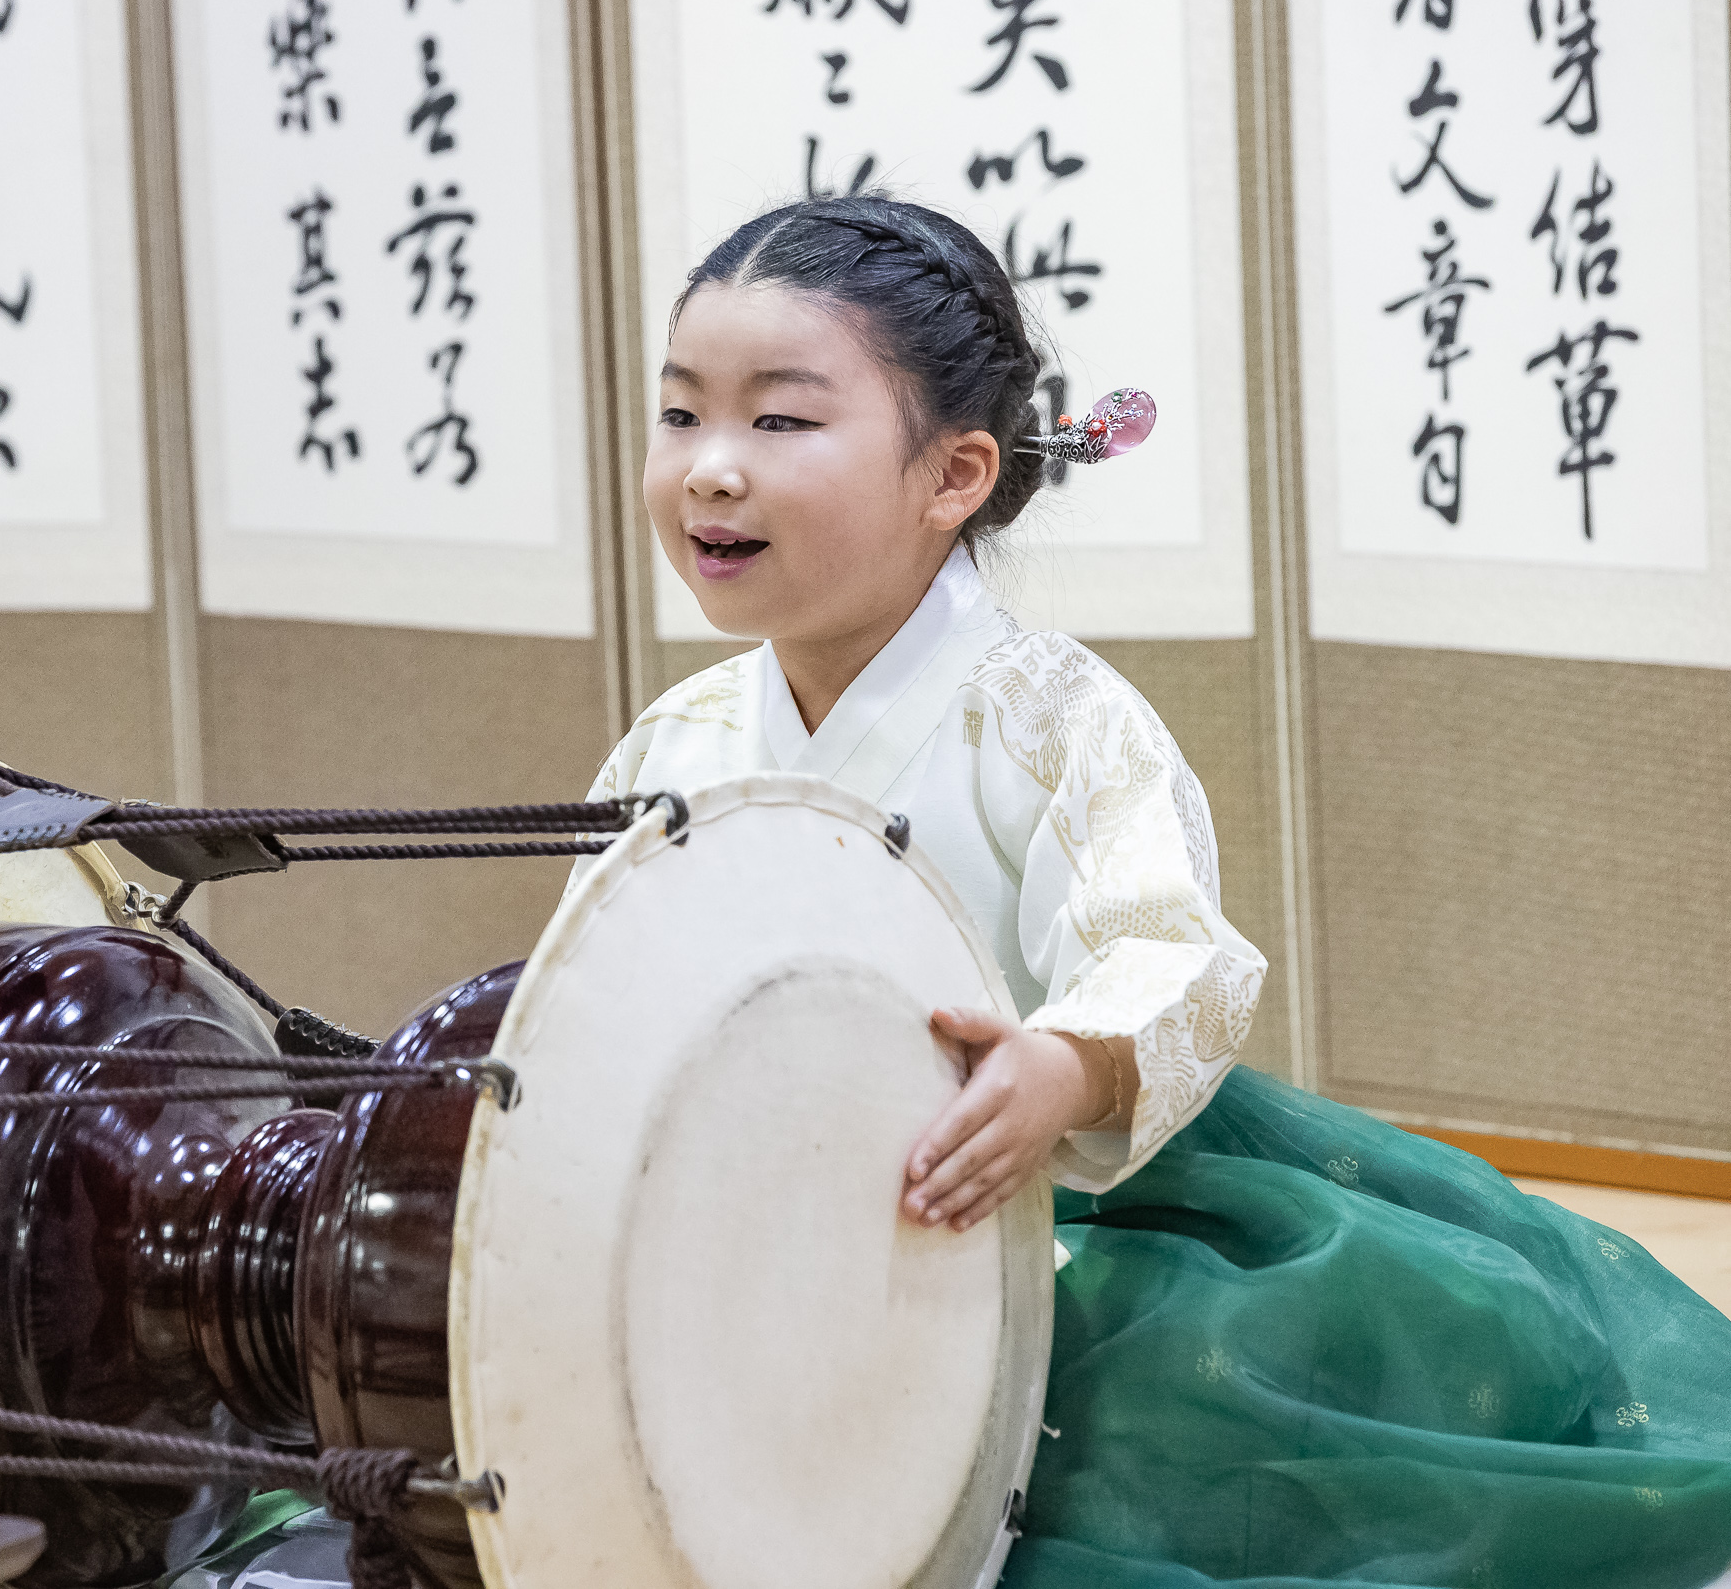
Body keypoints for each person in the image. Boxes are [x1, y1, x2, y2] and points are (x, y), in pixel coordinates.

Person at [585, 193, 1731, 1589]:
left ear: (953, 475)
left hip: (1067, 1208)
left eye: (779, 422)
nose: (709, 471)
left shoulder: (1051, 713)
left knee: (1160, 1431)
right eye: (681, 416)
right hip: (766, 1228)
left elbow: (1169, 950)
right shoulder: (672, 749)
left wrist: (1064, 1067)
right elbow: (603, 1001)